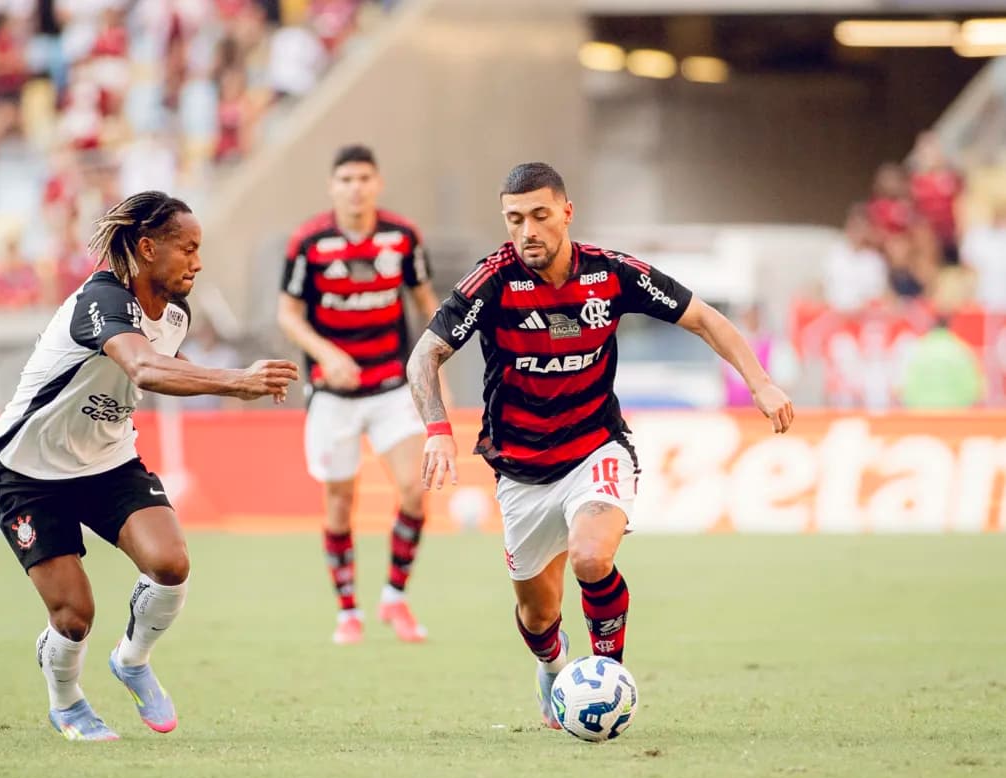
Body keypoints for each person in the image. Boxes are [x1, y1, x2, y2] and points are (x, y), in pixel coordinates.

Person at [406, 163, 793, 729]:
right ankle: (553, 665)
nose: (527, 231)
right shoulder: (491, 281)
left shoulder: (611, 275)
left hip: (596, 449)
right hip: (520, 470)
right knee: (538, 616)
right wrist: (438, 430)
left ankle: (607, 679)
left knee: (591, 556)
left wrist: (760, 381)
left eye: (540, 215)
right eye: (515, 219)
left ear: (567, 212)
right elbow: (425, 356)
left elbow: (706, 320)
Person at [0, 192, 298, 741]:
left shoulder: (175, 311)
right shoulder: (99, 301)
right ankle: (67, 701)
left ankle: (132, 660)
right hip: (28, 472)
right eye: (188, 249)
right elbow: (144, 368)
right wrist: (235, 380)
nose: (198, 263)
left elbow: (165, 358)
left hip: (107, 461)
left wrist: (219, 375)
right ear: (148, 248)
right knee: (74, 615)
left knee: (171, 563)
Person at [277, 144, 441, 645]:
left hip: (391, 386)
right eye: (346, 178)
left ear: (378, 183)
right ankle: (348, 611)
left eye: (364, 177)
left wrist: (435, 373)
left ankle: (395, 597)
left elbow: (426, 305)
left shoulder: (402, 236)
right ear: (333, 185)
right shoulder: (308, 242)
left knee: (414, 491)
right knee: (339, 504)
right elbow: (287, 314)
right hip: (332, 394)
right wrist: (327, 353)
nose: (356, 187)